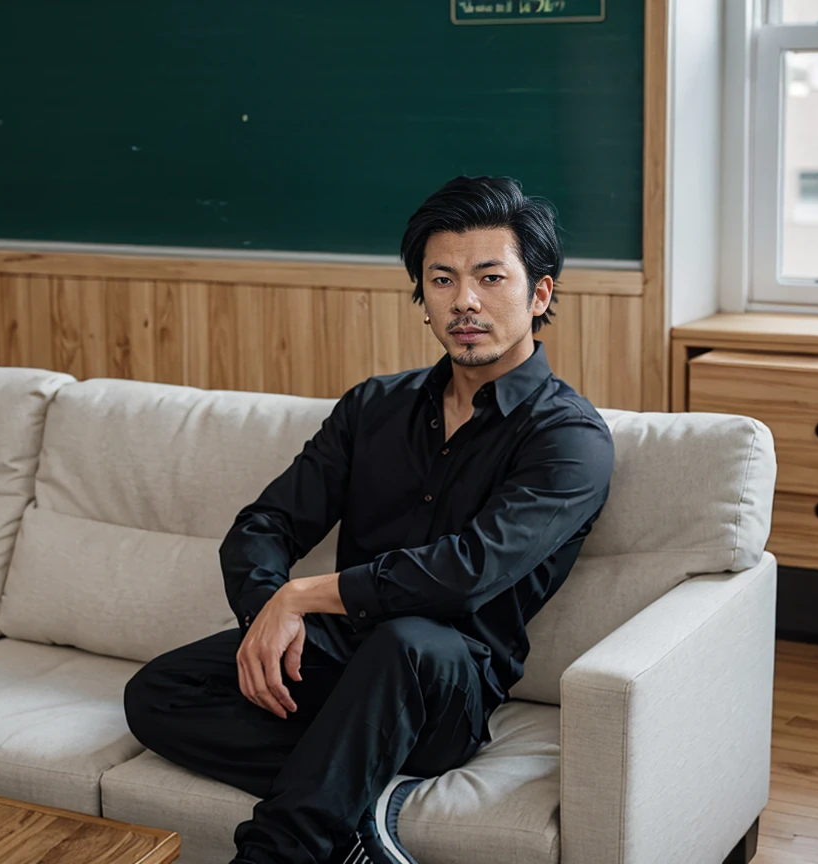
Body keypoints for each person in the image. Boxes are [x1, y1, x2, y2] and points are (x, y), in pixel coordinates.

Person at [124, 175, 615, 864]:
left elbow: (465, 574)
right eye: (441, 280)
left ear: (539, 294)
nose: (465, 301)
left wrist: (307, 594)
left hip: (447, 680)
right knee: (157, 694)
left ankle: (279, 849)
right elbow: (266, 523)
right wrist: (269, 609)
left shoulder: (570, 440)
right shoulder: (373, 408)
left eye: (490, 278)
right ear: (422, 298)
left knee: (408, 640)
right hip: (337, 657)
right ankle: (362, 797)